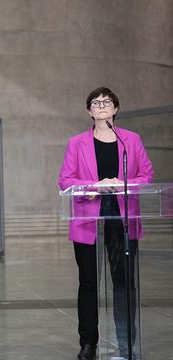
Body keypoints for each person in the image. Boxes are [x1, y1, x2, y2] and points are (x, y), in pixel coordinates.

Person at [58, 87, 153, 360]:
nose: (101, 106)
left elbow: (146, 174)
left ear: (116, 109)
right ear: (89, 111)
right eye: (95, 103)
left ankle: (127, 342)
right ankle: (88, 344)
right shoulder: (77, 143)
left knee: (123, 282)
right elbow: (65, 180)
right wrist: (95, 185)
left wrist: (122, 184)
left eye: (107, 102)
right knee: (88, 282)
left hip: (122, 219)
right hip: (89, 218)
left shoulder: (130, 141)